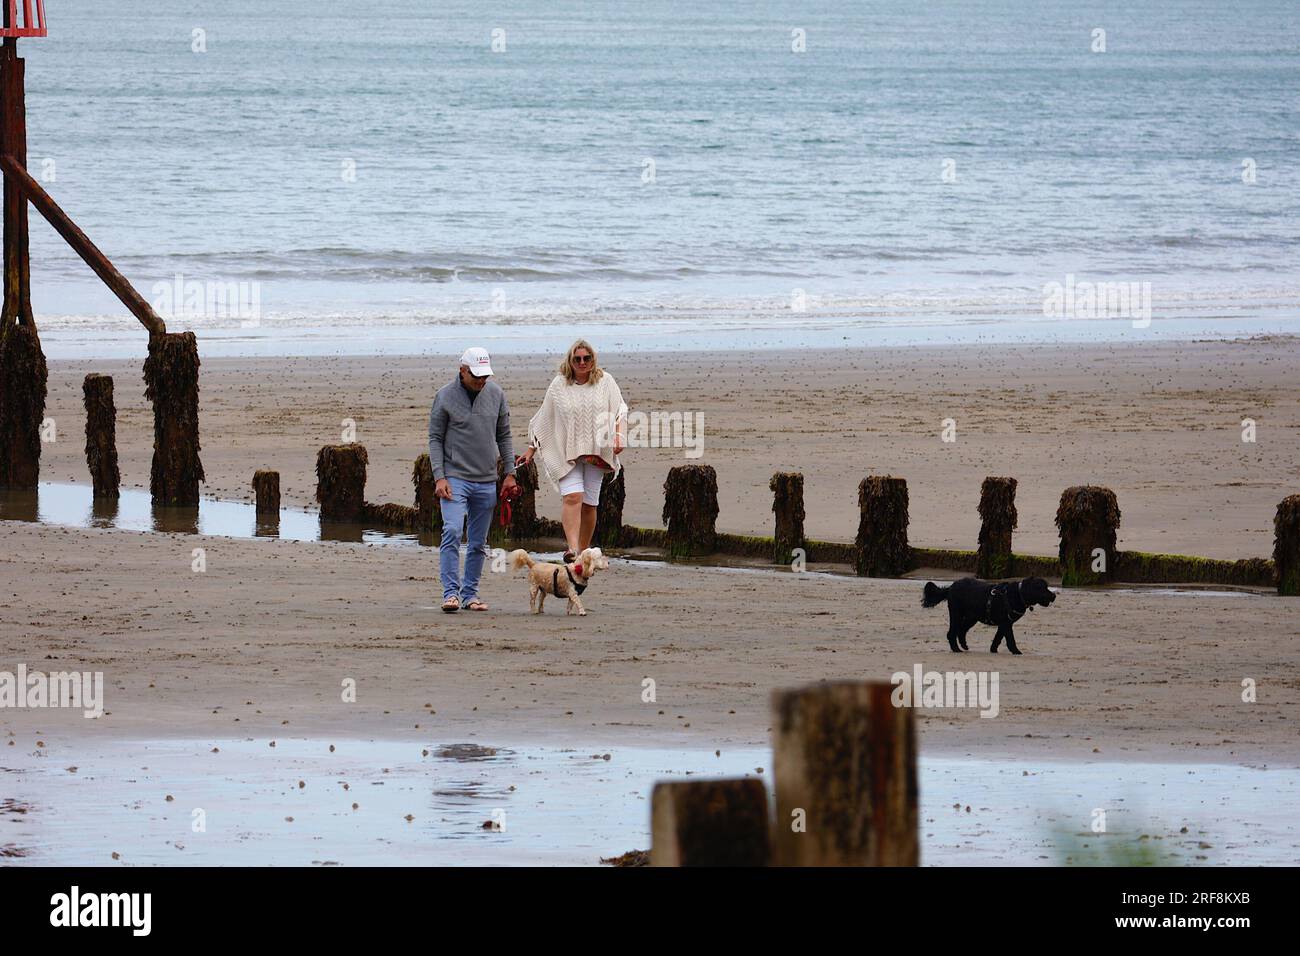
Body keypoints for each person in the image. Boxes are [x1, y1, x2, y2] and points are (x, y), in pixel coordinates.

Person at [427, 347, 517, 612]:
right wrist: (439, 477)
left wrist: (510, 473)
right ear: (462, 370)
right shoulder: (444, 396)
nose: (481, 381)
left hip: (487, 478)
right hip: (455, 477)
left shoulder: (496, 394)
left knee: (479, 542)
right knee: (452, 530)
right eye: (476, 376)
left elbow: (505, 436)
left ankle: (470, 595)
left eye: (485, 376)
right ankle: (450, 594)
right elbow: (435, 438)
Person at [520, 339, 626, 561]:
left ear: (593, 359)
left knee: (589, 504)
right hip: (566, 452)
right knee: (573, 496)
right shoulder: (559, 385)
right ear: (570, 360)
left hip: (597, 452)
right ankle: (572, 549)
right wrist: (530, 449)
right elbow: (544, 418)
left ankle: (583, 552)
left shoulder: (605, 381)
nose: (582, 362)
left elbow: (620, 411)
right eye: (577, 358)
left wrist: (619, 436)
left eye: (586, 358)